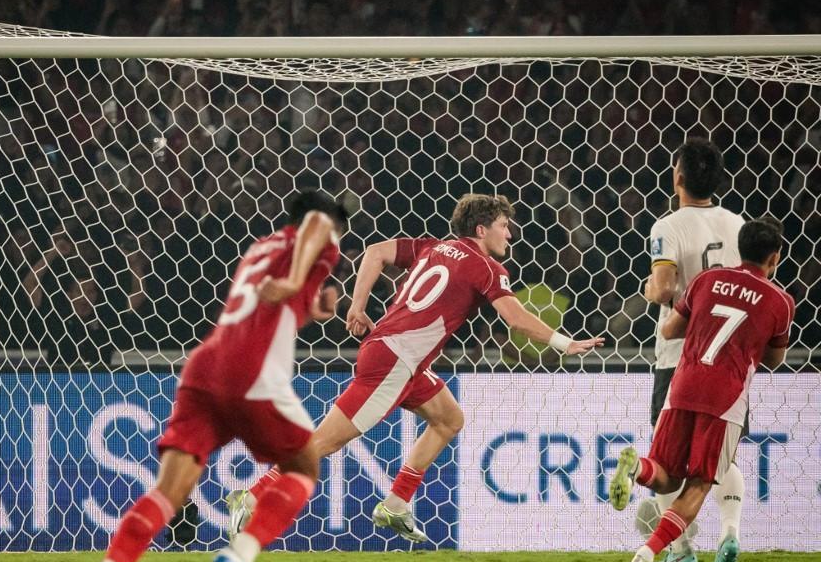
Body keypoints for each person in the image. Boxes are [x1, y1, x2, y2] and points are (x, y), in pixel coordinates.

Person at [229, 193, 604, 543]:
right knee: (328, 441)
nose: (510, 232)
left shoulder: (431, 248)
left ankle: (395, 505)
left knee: (449, 418)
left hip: (400, 358)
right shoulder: (488, 267)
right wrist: (565, 343)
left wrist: (358, 306)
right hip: (396, 359)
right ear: (481, 230)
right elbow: (515, 319)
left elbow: (374, 252)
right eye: (504, 225)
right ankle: (251, 496)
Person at [80, 190, 346, 562]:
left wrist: (310, 302)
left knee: (169, 491)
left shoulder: (261, 247)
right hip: (251, 370)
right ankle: (241, 557)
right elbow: (317, 226)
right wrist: (297, 281)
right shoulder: (319, 235)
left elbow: (269, 298)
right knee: (304, 468)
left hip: (203, 366)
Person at [611, 217, 794, 562]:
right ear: (774, 258)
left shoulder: (705, 280)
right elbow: (773, 358)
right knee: (699, 483)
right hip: (724, 399)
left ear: (740, 247)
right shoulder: (780, 302)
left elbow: (669, 329)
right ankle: (647, 554)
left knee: (663, 474)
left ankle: (636, 468)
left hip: (681, 385)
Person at [642, 137, 746, 562]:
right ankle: (730, 533)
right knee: (722, 456)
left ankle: (681, 547)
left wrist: (649, 287)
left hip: (679, 356)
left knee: (667, 458)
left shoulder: (667, 226)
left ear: (677, 178)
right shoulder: (739, 224)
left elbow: (664, 290)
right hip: (731, 357)